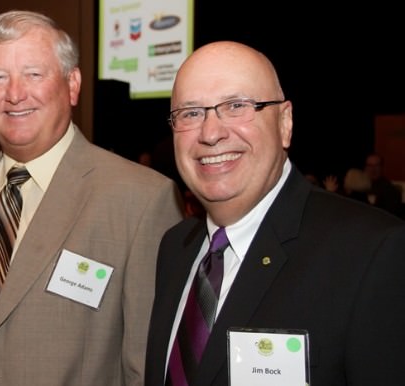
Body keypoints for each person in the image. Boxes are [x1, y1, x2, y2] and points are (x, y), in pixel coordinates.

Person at [0, 10, 184, 386]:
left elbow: (145, 367)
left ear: (72, 84)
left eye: (34, 74)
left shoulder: (141, 200)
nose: (15, 93)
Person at [144, 41, 405, 386]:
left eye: (236, 106)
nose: (210, 133)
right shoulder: (175, 248)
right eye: (191, 113)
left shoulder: (371, 252)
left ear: (285, 123)